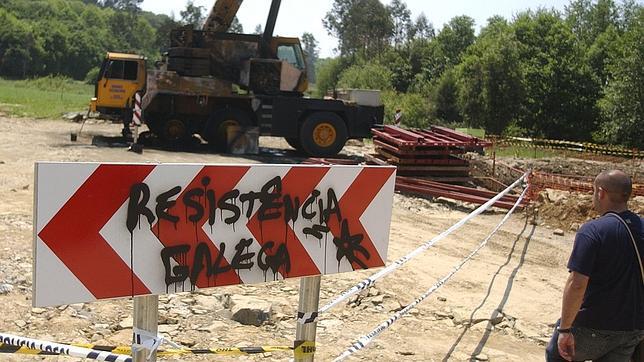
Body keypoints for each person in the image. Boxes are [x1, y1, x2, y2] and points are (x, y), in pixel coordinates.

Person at [546, 170, 644, 362]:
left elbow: (577, 284)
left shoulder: (593, 230)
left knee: (557, 353)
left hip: (593, 325)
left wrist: (565, 329)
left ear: (601, 193)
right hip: (633, 328)